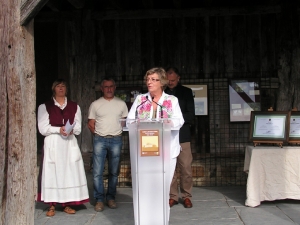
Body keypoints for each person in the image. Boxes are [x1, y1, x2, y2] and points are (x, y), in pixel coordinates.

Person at [127, 67, 184, 221]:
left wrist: (166, 122)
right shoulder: (140, 100)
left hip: (166, 152)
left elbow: (180, 121)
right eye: (148, 79)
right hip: (144, 153)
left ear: (162, 82)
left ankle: (161, 221)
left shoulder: (171, 101)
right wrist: (136, 122)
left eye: (153, 79)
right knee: (145, 190)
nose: (149, 82)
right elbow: (128, 121)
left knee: (162, 190)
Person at [37, 79, 89, 217]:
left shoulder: (74, 106)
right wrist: (57, 129)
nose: (61, 88)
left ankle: (67, 204)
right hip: (53, 142)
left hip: (68, 143)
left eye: (63, 86)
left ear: (66, 89)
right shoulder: (45, 106)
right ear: (53, 89)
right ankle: (52, 205)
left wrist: (70, 130)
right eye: (58, 86)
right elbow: (43, 129)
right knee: (52, 172)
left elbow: (78, 127)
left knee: (69, 172)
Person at [88, 77, 128, 212]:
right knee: (97, 172)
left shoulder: (121, 104)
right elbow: (91, 124)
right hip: (100, 139)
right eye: (106, 87)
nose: (109, 89)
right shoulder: (95, 104)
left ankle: (111, 198)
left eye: (111, 86)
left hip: (116, 139)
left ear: (115, 88)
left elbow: (125, 122)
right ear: (102, 89)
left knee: (114, 172)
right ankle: (99, 200)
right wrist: (100, 134)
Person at [165, 66, 195, 208]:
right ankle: (173, 196)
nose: (170, 83)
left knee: (186, 168)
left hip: (183, 135)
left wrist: (174, 120)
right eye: (168, 80)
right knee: (170, 168)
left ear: (178, 78)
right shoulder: (162, 93)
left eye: (173, 80)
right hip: (167, 136)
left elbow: (191, 116)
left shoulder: (186, 92)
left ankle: (187, 196)